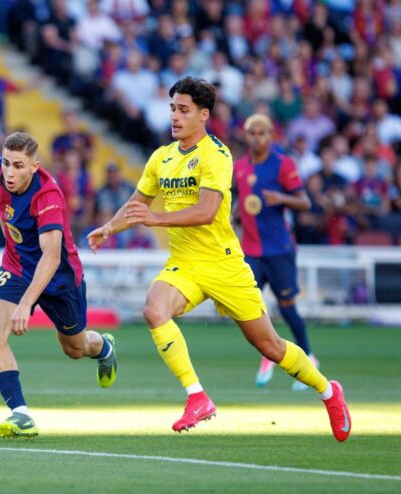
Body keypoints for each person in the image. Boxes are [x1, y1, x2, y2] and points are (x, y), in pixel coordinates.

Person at [87, 77, 351, 442]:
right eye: (172, 109)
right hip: (185, 263)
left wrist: (157, 220)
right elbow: (137, 204)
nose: (175, 117)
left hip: (224, 264)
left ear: (203, 115)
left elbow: (207, 211)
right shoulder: (161, 158)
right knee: (154, 310)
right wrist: (108, 228)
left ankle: (328, 392)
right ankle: (197, 396)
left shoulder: (218, 155)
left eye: (183, 110)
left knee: (270, 346)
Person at [0, 132, 117, 439]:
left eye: (18, 166)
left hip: (58, 279)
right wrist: (13, 251)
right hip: (17, 266)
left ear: (34, 167)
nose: (9, 172)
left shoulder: (48, 197)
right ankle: (21, 415)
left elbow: (52, 256)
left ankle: (103, 347)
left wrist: (27, 303)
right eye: (6, 163)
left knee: (74, 348)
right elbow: (5, 215)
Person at [234, 113, 319, 391]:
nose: (257, 138)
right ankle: (269, 352)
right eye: (252, 133)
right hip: (251, 251)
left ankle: (308, 358)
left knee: (287, 307)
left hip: (279, 249)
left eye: (262, 133)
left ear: (271, 136)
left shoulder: (283, 164)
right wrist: (235, 214)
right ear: (246, 136)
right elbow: (242, 201)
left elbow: (305, 202)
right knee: (247, 306)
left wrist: (280, 198)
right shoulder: (241, 167)